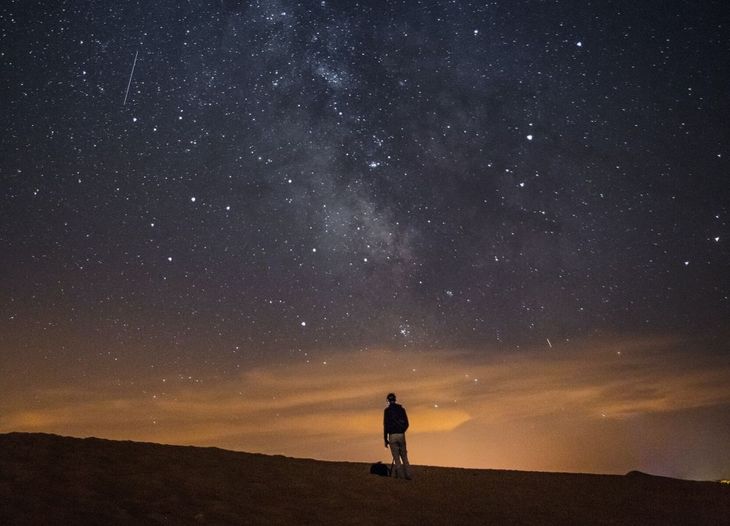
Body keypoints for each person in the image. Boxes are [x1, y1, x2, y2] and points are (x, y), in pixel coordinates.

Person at [383, 392, 411, 480]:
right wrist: (402, 431)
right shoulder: (401, 409)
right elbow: (407, 423)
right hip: (401, 435)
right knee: (404, 457)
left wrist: (385, 439)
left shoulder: (387, 411)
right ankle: (408, 475)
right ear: (395, 399)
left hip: (392, 436)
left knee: (396, 458)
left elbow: (385, 426)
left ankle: (401, 477)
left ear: (388, 400)